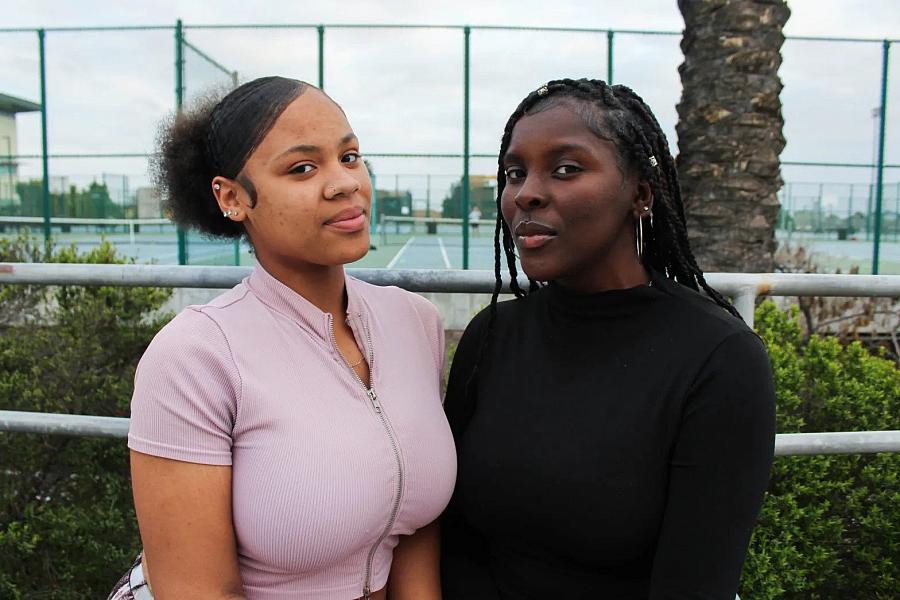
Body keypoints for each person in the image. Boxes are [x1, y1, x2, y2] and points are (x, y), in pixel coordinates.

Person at [109, 77, 456, 600]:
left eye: (350, 155)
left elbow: (415, 530)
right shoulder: (195, 355)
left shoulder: (415, 322)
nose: (345, 183)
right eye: (302, 167)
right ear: (231, 197)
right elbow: (198, 591)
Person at [440, 78, 776, 599]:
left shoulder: (719, 359)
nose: (525, 191)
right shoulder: (492, 336)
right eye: (514, 172)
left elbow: (694, 584)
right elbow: (456, 540)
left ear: (640, 193)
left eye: (566, 168)